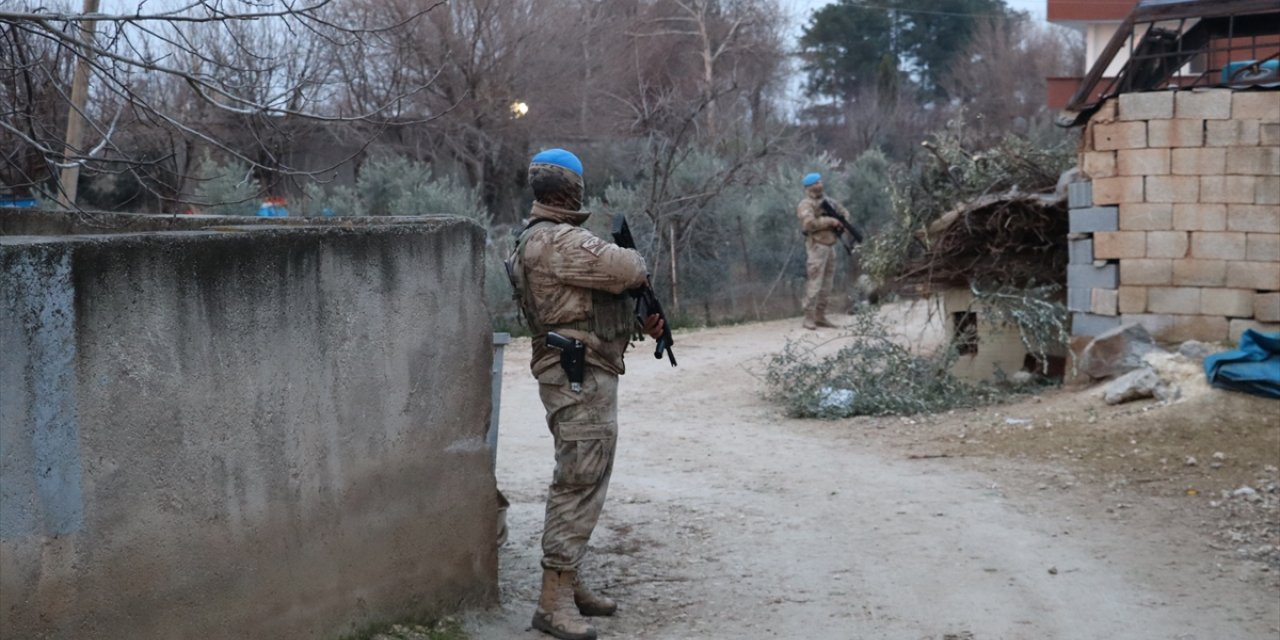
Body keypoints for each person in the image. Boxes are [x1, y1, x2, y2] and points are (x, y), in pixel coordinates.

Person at [506, 148, 665, 640]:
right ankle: (552, 603)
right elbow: (630, 269)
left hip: (580, 370)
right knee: (579, 479)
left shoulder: (538, 238)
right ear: (573, 188)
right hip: (576, 374)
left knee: (586, 475)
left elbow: (593, 295)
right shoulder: (558, 241)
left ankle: (569, 584)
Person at [796, 172, 852, 330]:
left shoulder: (829, 202)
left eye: (820, 181)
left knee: (827, 284)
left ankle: (820, 316)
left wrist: (841, 222)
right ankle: (809, 317)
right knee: (815, 282)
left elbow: (844, 213)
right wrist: (830, 221)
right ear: (810, 186)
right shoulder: (805, 204)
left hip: (829, 245)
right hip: (817, 246)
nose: (820, 184)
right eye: (817, 182)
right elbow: (808, 224)